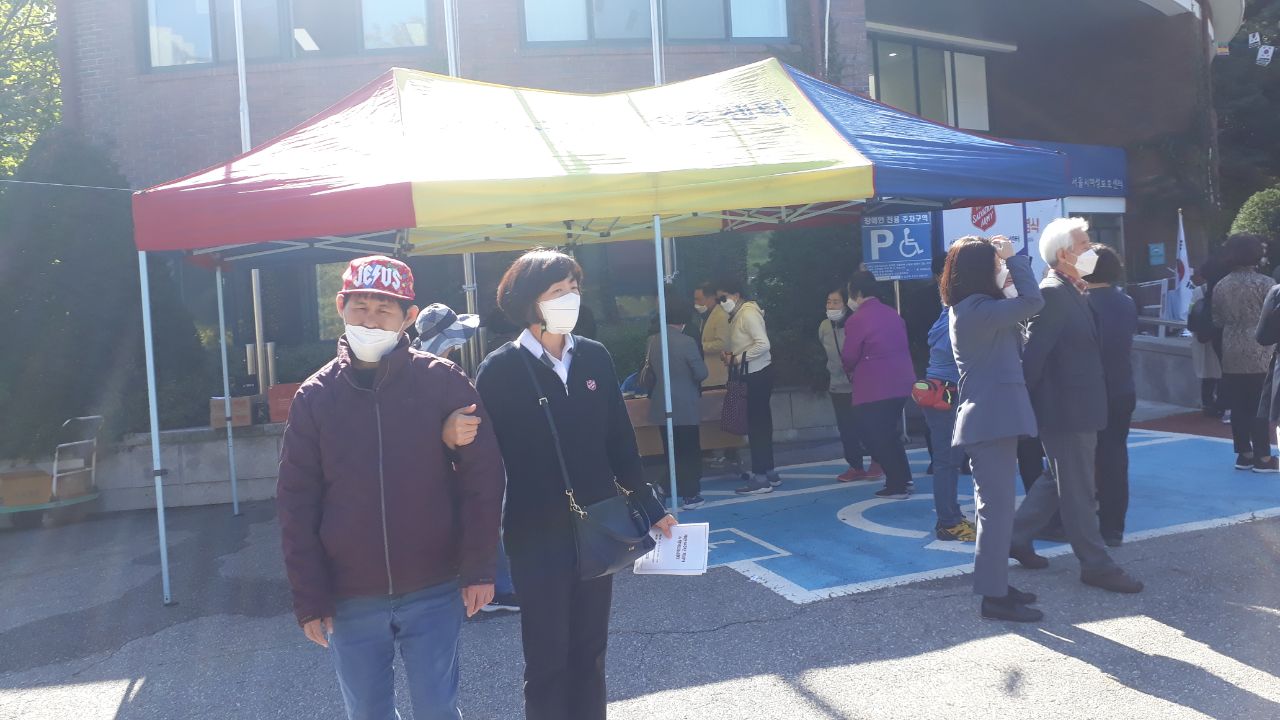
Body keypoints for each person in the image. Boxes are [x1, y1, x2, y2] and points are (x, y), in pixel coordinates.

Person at [277, 255, 506, 720]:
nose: (371, 319)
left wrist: (480, 567)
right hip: (350, 595)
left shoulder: (441, 381)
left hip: (434, 586)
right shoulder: (316, 396)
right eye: (360, 307)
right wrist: (310, 596)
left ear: (409, 317)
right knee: (367, 712)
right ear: (340, 307)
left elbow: (484, 476)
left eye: (384, 309)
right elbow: (296, 501)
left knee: (438, 709)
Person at [474, 249, 676, 720]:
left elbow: (619, 441)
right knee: (547, 662)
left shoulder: (594, 356)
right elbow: (481, 463)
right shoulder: (499, 370)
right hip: (534, 534)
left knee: (590, 653)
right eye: (557, 291)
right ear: (529, 301)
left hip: (598, 527)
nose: (571, 298)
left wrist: (651, 507)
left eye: (574, 288)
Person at [1009, 218, 1143, 595]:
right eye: (1084, 245)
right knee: (1079, 490)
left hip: (1077, 405)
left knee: (1059, 479)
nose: (1091, 250)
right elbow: (1033, 358)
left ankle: (1015, 537)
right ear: (1064, 254)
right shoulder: (1054, 293)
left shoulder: (1071, 290)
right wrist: (1025, 408)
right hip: (1066, 409)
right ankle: (1096, 565)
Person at [945, 235, 1045, 622]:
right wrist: (1016, 259)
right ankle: (993, 596)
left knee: (996, 510)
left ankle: (997, 585)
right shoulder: (977, 309)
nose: (1000, 268)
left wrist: (1006, 268)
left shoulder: (976, 308)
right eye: (995, 264)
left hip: (991, 418)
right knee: (996, 511)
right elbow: (1033, 302)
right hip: (991, 419)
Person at [841, 271, 916, 499]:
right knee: (890, 433)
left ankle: (897, 484)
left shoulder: (857, 320)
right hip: (902, 381)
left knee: (875, 435)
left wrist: (849, 370)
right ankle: (904, 478)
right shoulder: (892, 314)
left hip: (873, 385)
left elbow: (849, 356)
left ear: (857, 293)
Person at [1083, 245, 1138, 547]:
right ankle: (1113, 527)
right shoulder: (1125, 301)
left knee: (1078, 457)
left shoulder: (1080, 303)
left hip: (1087, 391)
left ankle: (1070, 519)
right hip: (1121, 388)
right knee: (1115, 456)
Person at [1212, 234, 1277, 472]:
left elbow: (1217, 320)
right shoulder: (1266, 283)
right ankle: (1264, 457)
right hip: (1261, 350)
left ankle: (1244, 453)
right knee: (1259, 405)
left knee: (1238, 406)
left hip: (1231, 348)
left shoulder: (1221, 285)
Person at [717, 277, 781, 495]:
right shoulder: (742, 313)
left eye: (723, 298)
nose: (721, 303)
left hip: (756, 374)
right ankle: (768, 471)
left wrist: (737, 359)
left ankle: (761, 477)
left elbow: (763, 344)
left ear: (736, 295)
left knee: (756, 426)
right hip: (756, 373)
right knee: (761, 424)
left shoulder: (747, 313)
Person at [645, 295, 710, 509]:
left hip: (661, 402)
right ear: (682, 321)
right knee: (689, 450)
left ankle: (669, 488)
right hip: (685, 404)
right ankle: (689, 494)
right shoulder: (687, 342)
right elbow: (701, 373)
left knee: (671, 452)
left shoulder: (652, 341)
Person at [923, 303, 974, 541]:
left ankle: (951, 516)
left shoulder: (945, 315)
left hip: (939, 392)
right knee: (947, 462)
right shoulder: (957, 317)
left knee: (948, 462)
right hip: (949, 394)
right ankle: (948, 522)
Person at [820, 287, 881, 483]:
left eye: (836, 302)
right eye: (829, 302)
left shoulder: (855, 322)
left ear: (845, 304)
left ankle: (877, 460)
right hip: (837, 383)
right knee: (846, 429)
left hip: (859, 383)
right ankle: (855, 466)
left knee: (866, 425)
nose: (831, 306)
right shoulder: (824, 326)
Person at [1189, 269, 1224, 417]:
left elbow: (1191, 313)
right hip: (1220, 337)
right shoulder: (1224, 289)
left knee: (1207, 374)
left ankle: (1207, 404)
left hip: (1203, 338)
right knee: (1221, 373)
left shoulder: (1198, 291)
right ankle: (1221, 405)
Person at [695, 282, 730, 388]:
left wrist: (700, 347)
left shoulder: (721, 315)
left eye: (699, 299)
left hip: (719, 376)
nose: (696, 303)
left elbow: (723, 344)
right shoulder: (705, 315)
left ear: (711, 298)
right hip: (709, 374)